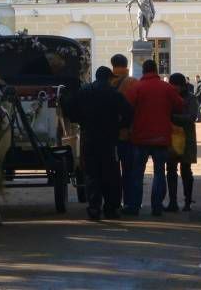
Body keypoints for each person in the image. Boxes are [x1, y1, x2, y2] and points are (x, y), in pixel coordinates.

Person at [72, 66, 133, 220]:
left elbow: (71, 110)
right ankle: (111, 208)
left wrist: (82, 122)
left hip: (89, 138)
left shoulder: (84, 91)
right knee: (111, 174)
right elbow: (129, 112)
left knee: (92, 174)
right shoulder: (114, 93)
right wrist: (120, 126)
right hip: (109, 140)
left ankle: (94, 208)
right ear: (108, 78)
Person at [125, 59, 183, 217]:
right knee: (159, 172)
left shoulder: (136, 87)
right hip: (161, 136)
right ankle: (156, 206)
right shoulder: (167, 88)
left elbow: (127, 107)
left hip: (140, 136)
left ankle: (134, 206)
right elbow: (180, 105)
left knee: (137, 173)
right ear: (156, 70)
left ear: (143, 71)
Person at [165, 73, 198, 212]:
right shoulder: (169, 97)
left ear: (181, 85)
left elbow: (191, 117)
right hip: (172, 137)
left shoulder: (191, 98)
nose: (173, 88)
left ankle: (187, 201)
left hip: (187, 138)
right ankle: (173, 201)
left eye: (175, 86)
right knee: (171, 170)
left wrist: (172, 117)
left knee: (186, 170)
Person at [109, 54, 137, 212]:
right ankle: (129, 203)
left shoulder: (107, 82)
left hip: (111, 135)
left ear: (113, 65)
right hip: (128, 134)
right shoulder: (133, 82)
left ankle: (114, 202)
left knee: (112, 172)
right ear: (126, 65)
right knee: (129, 172)